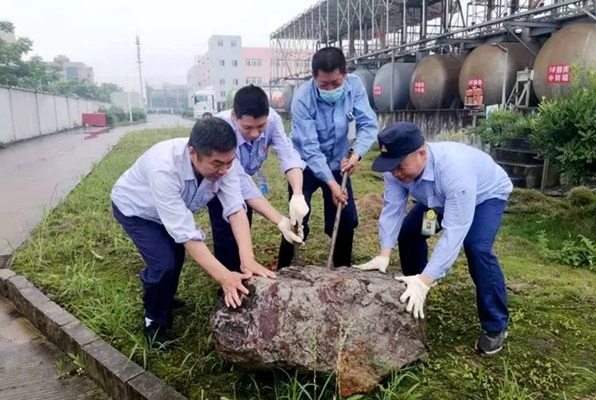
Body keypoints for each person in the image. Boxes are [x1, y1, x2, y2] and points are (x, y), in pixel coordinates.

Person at [111, 117, 276, 347]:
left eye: (229, 162)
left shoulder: (225, 163)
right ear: (192, 153)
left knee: (175, 256)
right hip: (137, 210)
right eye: (216, 164)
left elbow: (236, 208)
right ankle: (154, 320)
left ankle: (164, 296)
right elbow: (187, 234)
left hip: (170, 211)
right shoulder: (164, 167)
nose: (224, 170)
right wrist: (224, 277)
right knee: (164, 263)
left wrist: (247, 259)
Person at [353, 122, 513, 355]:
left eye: (399, 165)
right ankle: (417, 285)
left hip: (483, 198)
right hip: (437, 202)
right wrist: (384, 254)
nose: (395, 173)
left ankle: (496, 326)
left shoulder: (454, 170)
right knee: (410, 233)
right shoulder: (395, 172)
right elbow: (392, 209)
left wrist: (427, 279)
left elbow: (454, 231)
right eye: (390, 166)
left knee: (477, 247)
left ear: (421, 154)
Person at [277, 46, 379, 269]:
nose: (330, 89)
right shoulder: (302, 98)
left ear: (345, 73)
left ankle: (342, 272)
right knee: (298, 217)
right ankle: (283, 270)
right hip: (304, 164)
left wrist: (356, 154)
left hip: (337, 162)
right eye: (324, 85)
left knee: (345, 220)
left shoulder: (355, 86)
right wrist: (332, 184)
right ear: (314, 77)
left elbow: (368, 124)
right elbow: (310, 148)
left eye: (336, 83)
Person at [209, 84, 308, 271]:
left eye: (261, 126)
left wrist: (297, 193)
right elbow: (241, 182)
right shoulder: (221, 128)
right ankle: (229, 277)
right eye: (247, 128)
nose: (255, 134)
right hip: (218, 180)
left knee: (243, 222)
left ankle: (243, 263)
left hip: (244, 175)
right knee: (225, 230)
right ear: (234, 116)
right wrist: (280, 220)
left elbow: (288, 155)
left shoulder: (273, 120)